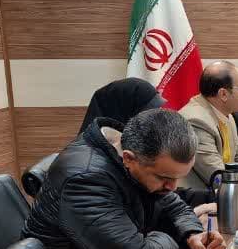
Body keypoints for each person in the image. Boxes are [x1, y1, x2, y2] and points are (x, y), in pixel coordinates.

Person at [24, 109, 226, 249]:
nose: (173, 187)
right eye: (165, 178)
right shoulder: (85, 179)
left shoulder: (136, 157)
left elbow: (174, 206)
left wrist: (192, 235)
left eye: (177, 178)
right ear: (129, 158)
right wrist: (171, 237)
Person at [77, 78, 216, 216]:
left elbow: (165, 197)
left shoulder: (123, 149)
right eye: (149, 112)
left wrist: (215, 196)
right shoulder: (91, 172)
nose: (155, 120)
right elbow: (129, 222)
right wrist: (194, 214)